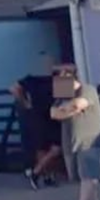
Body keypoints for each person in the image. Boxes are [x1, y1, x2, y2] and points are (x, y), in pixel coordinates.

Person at [49, 67, 100, 200]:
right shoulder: (64, 94)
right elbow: (53, 113)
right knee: (86, 175)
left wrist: (67, 109)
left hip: (91, 140)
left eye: (62, 78)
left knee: (89, 176)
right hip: (76, 142)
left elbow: (79, 104)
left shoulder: (87, 90)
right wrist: (70, 110)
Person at [10, 54, 64, 190]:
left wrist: (26, 103)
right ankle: (37, 173)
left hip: (44, 116)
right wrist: (25, 103)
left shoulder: (36, 79)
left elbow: (14, 88)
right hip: (47, 116)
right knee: (54, 149)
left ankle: (46, 176)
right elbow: (14, 88)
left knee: (44, 149)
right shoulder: (38, 79)